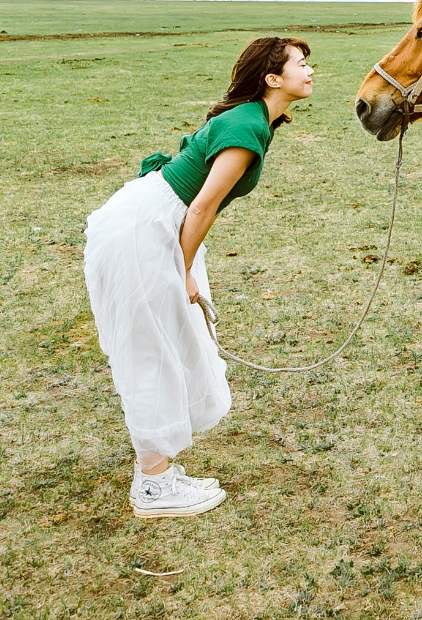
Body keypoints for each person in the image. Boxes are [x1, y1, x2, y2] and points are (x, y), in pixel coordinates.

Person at [82, 36, 314, 518]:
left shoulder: (255, 120)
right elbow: (204, 205)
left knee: (170, 340)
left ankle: (159, 468)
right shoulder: (248, 124)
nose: (310, 70)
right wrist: (181, 269)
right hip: (149, 229)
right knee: (153, 346)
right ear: (273, 79)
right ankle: (153, 485)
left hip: (158, 220)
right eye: (301, 63)